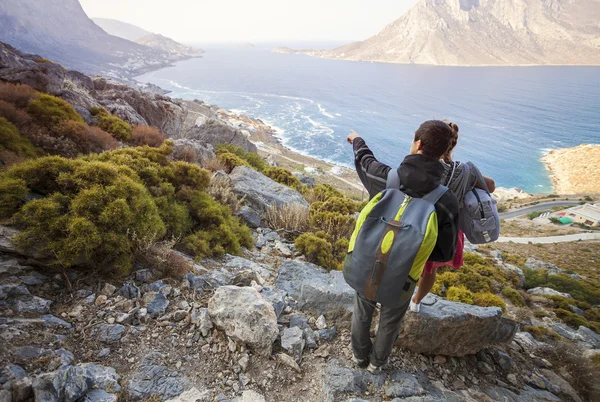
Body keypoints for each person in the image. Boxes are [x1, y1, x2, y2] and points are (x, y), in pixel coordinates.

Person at [346, 120, 459, 373]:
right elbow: (445, 252)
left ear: (417, 144)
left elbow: (366, 162)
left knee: (362, 310)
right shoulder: (445, 200)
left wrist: (357, 140)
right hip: (404, 276)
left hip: (368, 263)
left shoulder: (388, 178)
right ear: (443, 153)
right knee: (391, 320)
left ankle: (359, 356)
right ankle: (378, 363)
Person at [410, 121, 496, 313]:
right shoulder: (465, 171)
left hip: (420, 222)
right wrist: (469, 182)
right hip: (448, 228)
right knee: (430, 269)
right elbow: (490, 186)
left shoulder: (425, 166)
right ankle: (415, 302)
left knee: (407, 261)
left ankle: (396, 295)